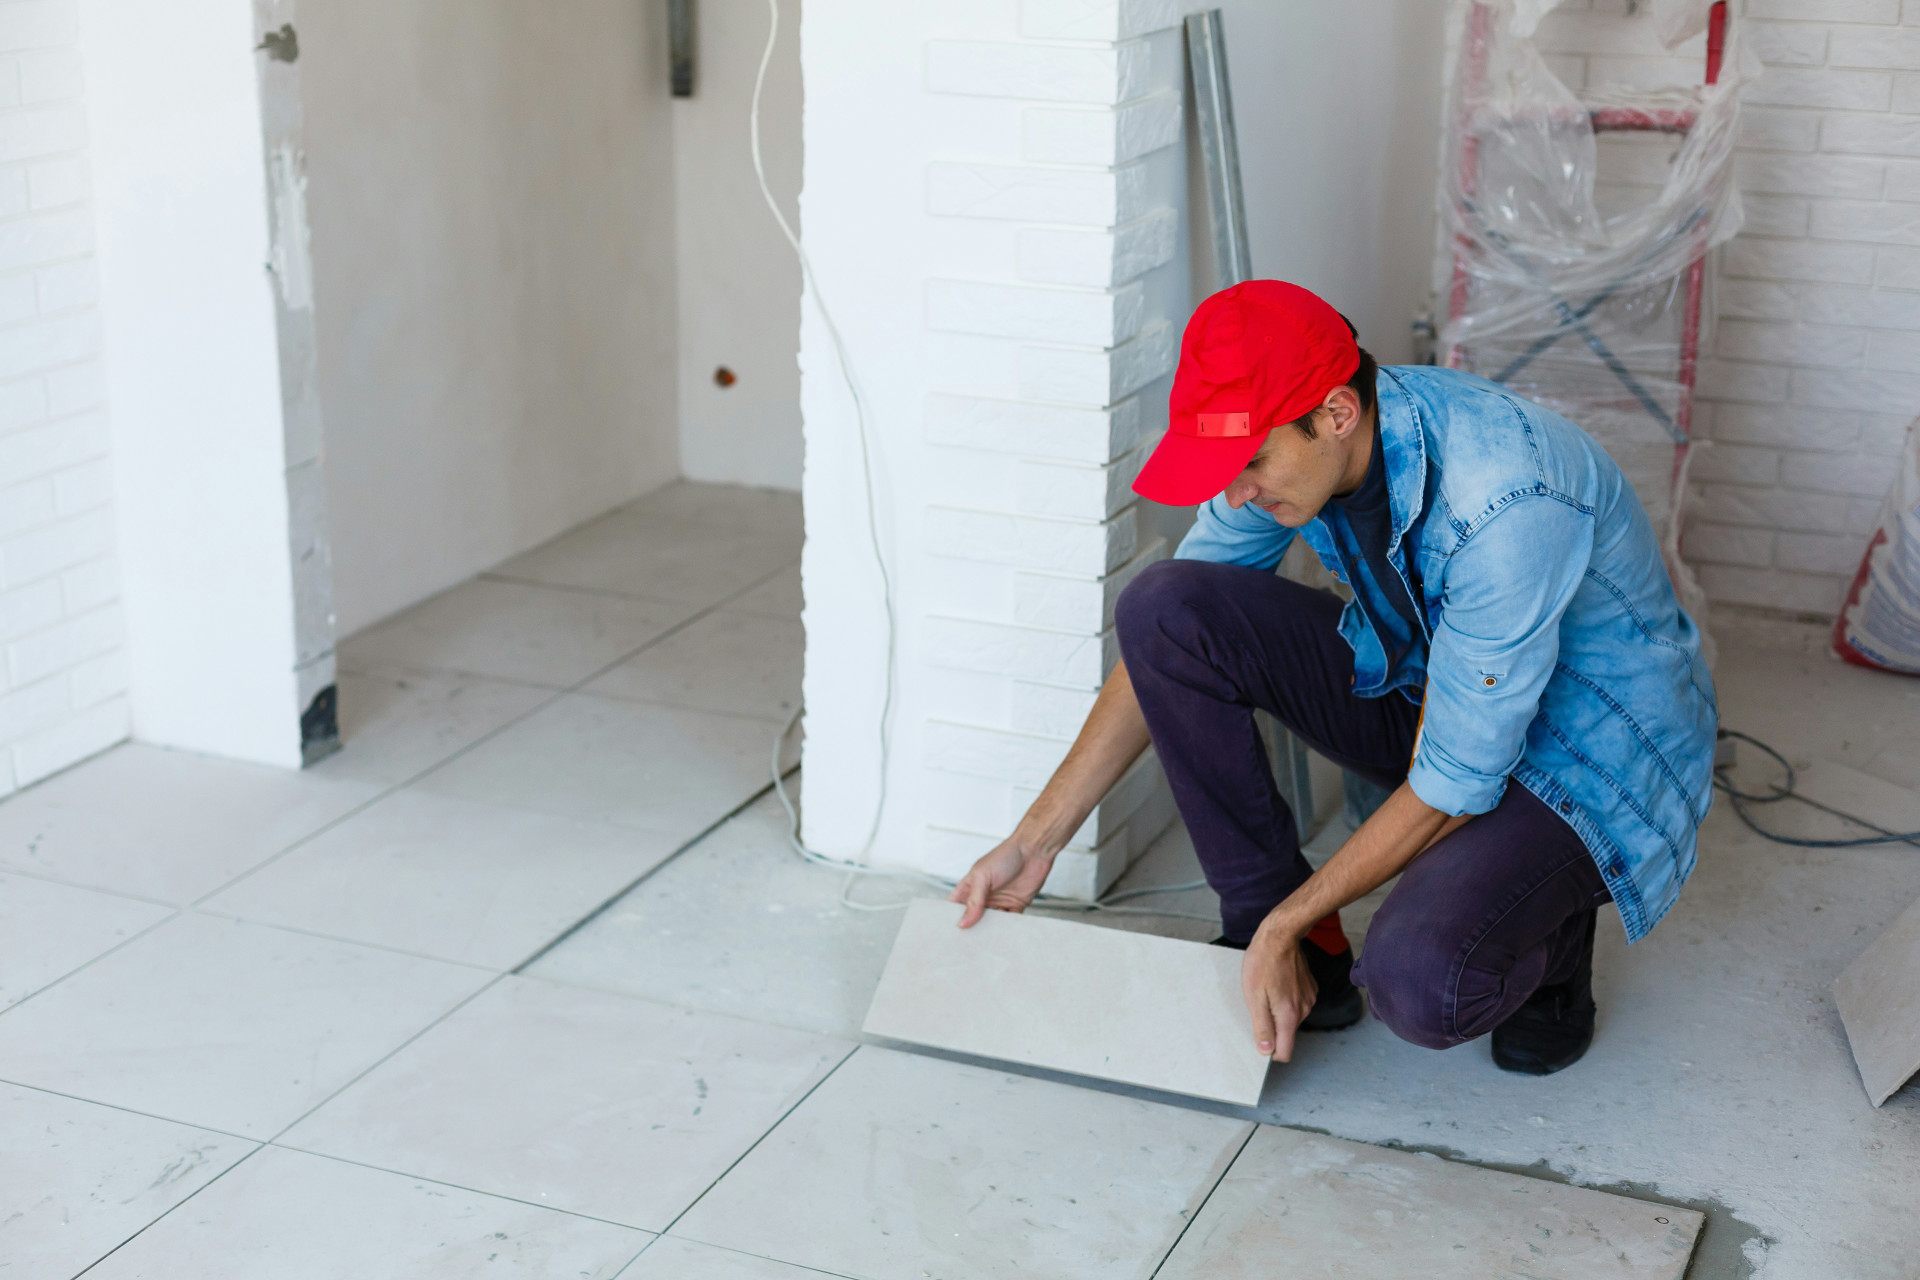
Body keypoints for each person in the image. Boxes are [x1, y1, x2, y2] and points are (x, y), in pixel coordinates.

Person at [950, 280, 1717, 1075]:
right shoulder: (1297, 453)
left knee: (1421, 985)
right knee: (1165, 606)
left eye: (1252, 462)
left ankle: (1551, 938)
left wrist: (1287, 919)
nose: (1237, 491)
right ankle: (1294, 946)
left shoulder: (1505, 497)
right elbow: (1167, 638)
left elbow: (1457, 776)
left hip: (1584, 765)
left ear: (1337, 414)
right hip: (1444, 698)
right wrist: (1034, 841)